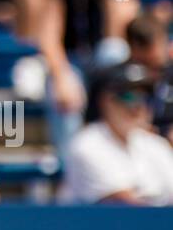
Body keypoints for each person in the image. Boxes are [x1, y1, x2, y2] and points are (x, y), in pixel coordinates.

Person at [39, 0, 140, 151]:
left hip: (108, 67)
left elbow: (119, 33)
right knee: (61, 89)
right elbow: (49, 39)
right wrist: (62, 76)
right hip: (73, 63)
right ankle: (72, 166)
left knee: (113, 52)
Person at [59, 63, 173, 206]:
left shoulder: (154, 144)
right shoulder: (87, 145)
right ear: (105, 101)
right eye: (129, 96)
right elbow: (127, 207)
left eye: (146, 97)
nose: (138, 106)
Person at [125, 14, 173, 140]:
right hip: (137, 144)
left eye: (163, 41)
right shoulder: (120, 81)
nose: (163, 50)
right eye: (156, 44)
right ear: (136, 48)